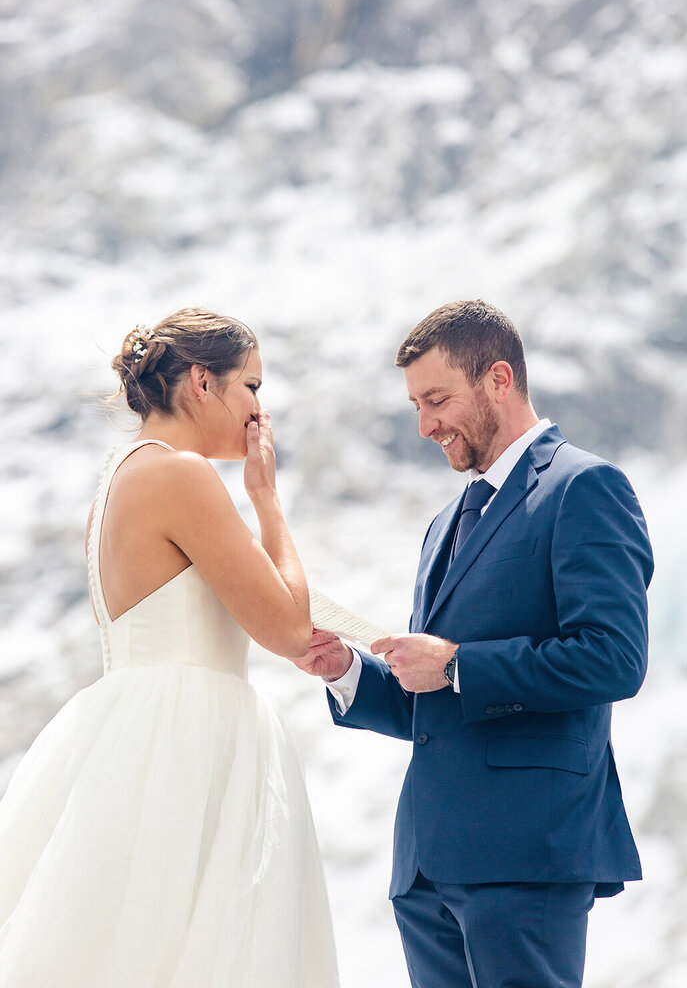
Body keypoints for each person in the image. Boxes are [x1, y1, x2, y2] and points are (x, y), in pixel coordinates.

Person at [295, 299, 653, 988]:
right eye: (414, 405)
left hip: (527, 854)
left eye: (436, 400)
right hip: (427, 868)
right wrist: (345, 670)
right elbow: (432, 703)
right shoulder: (444, 524)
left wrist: (456, 664)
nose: (425, 425)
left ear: (498, 379)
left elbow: (614, 658)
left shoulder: (585, 488)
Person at [0, 307, 338, 988]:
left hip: (133, 730)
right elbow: (288, 628)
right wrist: (267, 501)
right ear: (201, 383)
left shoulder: (118, 478)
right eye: (251, 387)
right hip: (189, 737)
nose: (258, 410)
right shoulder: (181, 475)